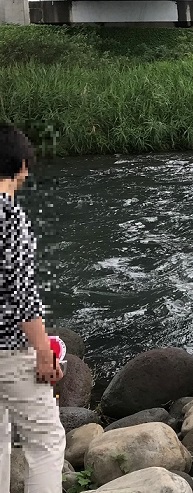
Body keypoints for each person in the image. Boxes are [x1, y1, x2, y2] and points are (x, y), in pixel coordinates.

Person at [0, 125, 65, 493]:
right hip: (9, 350)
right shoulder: (11, 218)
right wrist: (43, 352)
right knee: (45, 443)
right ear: (22, 166)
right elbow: (22, 293)